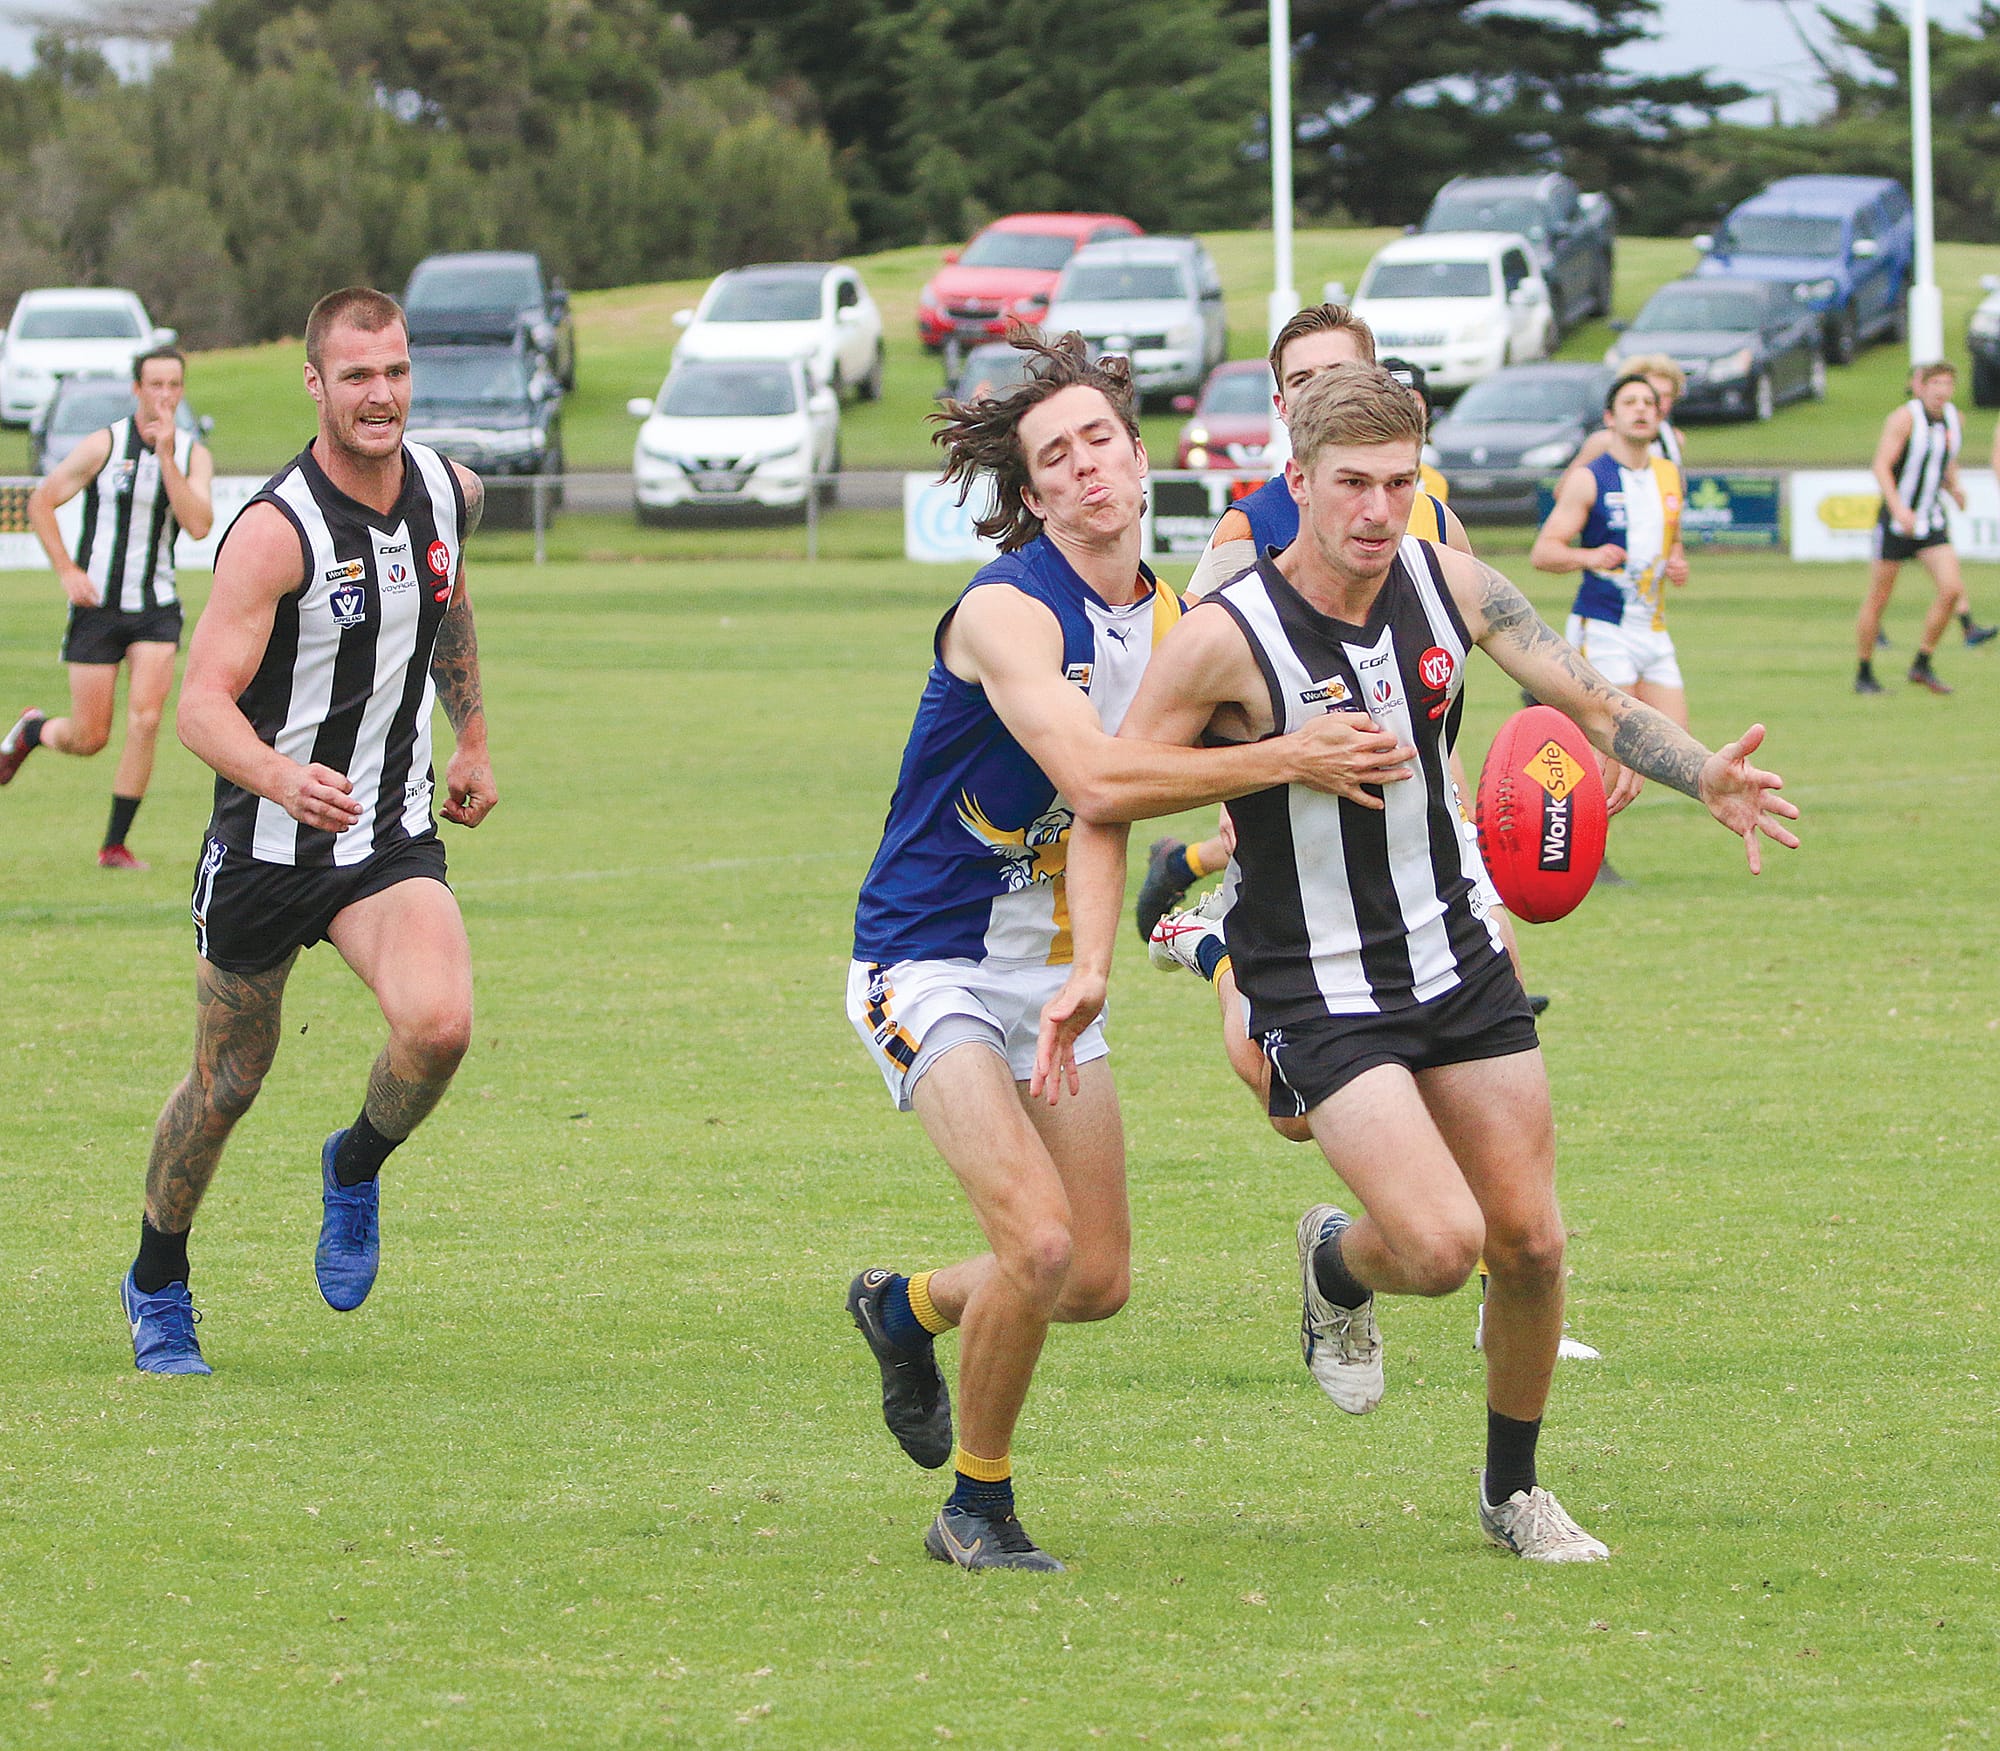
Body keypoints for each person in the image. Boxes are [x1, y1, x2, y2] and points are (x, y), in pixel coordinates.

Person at [1073, 363, 1797, 1561]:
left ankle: (1511, 1491)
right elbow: (1108, 785)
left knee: (1532, 1243)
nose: (1374, 510)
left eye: (1398, 483)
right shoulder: (1221, 637)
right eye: (1349, 483)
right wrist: (1278, 759)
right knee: (1433, 1245)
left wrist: (1702, 771)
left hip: (1456, 951)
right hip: (1314, 975)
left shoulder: (1449, 582)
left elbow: (1596, 702)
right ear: (1294, 480)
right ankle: (1333, 1259)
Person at [844, 333, 1414, 1571]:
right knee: (1036, 1246)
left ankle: (904, 1306)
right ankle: (974, 1505)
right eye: (1057, 455)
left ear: (1139, 456)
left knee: (1091, 1276)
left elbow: (1224, 804)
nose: (1086, 465)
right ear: (1034, 493)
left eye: (1100, 437)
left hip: (1054, 969)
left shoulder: (1173, 622)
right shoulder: (1005, 607)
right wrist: (1288, 754)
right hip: (924, 960)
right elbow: (1100, 777)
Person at [119, 287, 496, 1377]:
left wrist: (469, 734)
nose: (380, 395)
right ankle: (157, 1279)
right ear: (316, 384)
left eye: (396, 371)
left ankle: (355, 1160)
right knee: (227, 1082)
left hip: (384, 835)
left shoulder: (443, 488)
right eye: (357, 375)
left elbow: (449, 592)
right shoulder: (273, 531)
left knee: (438, 1027)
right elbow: (200, 704)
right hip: (266, 849)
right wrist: (283, 778)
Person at [0, 348, 215, 866]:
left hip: (156, 607)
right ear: (137, 390)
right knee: (89, 736)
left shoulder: (190, 455)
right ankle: (33, 731)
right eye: (155, 385)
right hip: (98, 607)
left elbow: (200, 525)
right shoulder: (104, 444)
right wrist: (68, 572)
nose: (164, 395)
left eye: (173, 385)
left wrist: (165, 456)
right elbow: (41, 501)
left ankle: (114, 845)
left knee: (145, 720)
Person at [1533, 373, 1690, 737]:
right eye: (1630, 403)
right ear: (1609, 419)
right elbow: (1544, 552)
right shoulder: (1590, 478)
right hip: (1604, 626)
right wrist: (1589, 557)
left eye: (1649, 404)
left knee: (1677, 743)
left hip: (1653, 627)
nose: (1641, 410)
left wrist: (1677, 561)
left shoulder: (1670, 476)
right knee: (1616, 747)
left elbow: (1672, 536)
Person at [1855, 361, 1996, 696]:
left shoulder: (1954, 420)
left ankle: (1922, 663)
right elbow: (1881, 466)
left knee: (1951, 591)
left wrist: (1955, 488)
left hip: (1930, 521)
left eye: (1948, 383)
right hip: (1896, 522)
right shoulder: (1904, 419)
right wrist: (1898, 507)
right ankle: (1864, 672)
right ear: (1921, 386)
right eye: (1935, 383)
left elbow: (1943, 461)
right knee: (1879, 598)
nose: (1941, 390)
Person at [1576, 352, 1687, 476]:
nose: (1659, 401)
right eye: (1652, 394)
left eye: (1666, 395)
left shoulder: (1673, 438)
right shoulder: (1605, 441)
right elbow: (1567, 489)